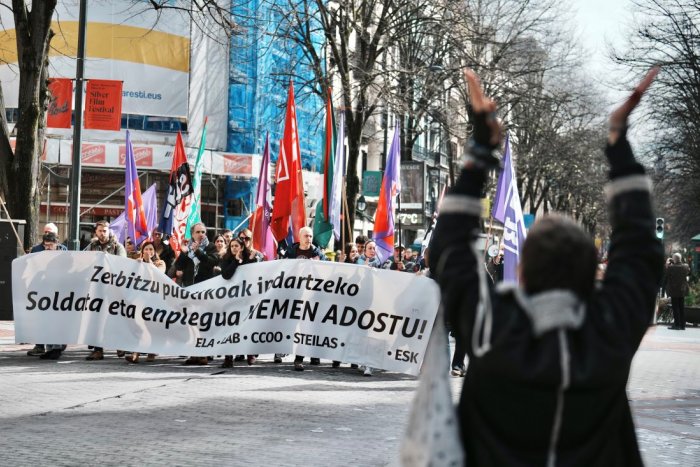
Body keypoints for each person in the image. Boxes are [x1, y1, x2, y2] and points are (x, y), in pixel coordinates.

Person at [430, 68, 663, 465]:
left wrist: (482, 148)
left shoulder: (490, 328)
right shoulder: (610, 332)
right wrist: (618, 142)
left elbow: (448, 249)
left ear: (522, 272)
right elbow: (641, 248)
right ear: (592, 275)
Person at [173, 222, 219, 365]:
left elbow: (212, 261)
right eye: (198, 232)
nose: (201, 235)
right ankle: (193, 354)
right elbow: (179, 266)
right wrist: (184, 252)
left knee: (203, 322)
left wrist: (198, 251)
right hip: (190, 288)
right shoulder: (188, 247)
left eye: (203, 232)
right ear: (192, 234)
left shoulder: (210, 246)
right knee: (191, 323)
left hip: (205, 289)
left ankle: (204, 354)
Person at [283, 226, 328, 370]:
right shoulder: (291, 251)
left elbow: (326, 272)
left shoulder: (317, 253)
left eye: (310, 236)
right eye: (306, 236)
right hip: (295, 295)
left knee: (309, 327)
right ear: (299, 236)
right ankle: (289, 354)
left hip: (312, 296)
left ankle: (303, 357)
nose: (308, 239)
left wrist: (319, 264)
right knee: (295, 327)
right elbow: (283, 269)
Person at [84, 220, 127, 361]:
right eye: (100, 230)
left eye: (105, 230)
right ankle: (98, 350)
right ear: (96, 232)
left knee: (114, 317)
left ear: (109, 231)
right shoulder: (91, 246)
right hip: (96, 289)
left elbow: (122, 264)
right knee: (96, 319)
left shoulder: (117, 247)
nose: (102, 233)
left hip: (113, 288)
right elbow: (82, 261)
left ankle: (120, 344)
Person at [220, 238, 259, 367]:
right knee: (229, 328)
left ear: (242, 247)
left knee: (248, 326)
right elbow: (226, 275)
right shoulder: (227, 259)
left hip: (247, 299)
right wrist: (236, 261)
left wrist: (253, 260)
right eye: (232, 246)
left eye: (237, 246)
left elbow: (255, 274)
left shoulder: (250, 257)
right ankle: (228, 357)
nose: (234, 248)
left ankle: (250, 353)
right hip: (231, 299)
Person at [26, 232, 65, 360]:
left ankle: (57, 348)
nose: (47, 248)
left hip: (59, 291)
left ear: (56, 244)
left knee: (57, 320)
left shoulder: (63, 252)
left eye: (50, 245)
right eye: (46, 245)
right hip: (45, 290)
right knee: (47, 319)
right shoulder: (39, 252)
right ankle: (50, 347)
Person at [125, 241, 165, 363]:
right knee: (137, 323)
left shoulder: (160, 263)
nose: (149, 252)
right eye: (146, 249)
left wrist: (149, 262)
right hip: (140, 297)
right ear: (142, 251)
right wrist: (137, 265)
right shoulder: (138, 262)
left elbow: (159, 274)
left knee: (152, 325)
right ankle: (135, 353)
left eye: (151, 249)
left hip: (154, 298)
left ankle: (151, 351)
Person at [665, 252, 690, 330]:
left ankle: (677, 325)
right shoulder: (685, 266)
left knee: (675, 307)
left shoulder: (671, 267)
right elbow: (688, 270)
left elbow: (666, 274)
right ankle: (683, 325)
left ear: (674, 259)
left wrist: (667, 262)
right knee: (681, 307)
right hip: (682, 289)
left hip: (674, 290)